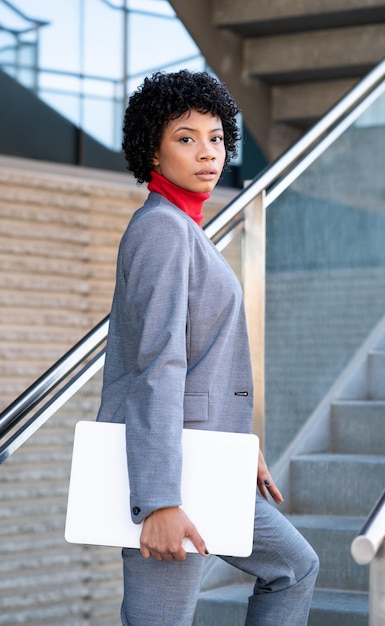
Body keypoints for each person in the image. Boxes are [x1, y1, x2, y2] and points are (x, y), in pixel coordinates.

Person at [96, 69, 319, 625]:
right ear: (152, 150)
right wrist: (161, 502)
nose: (207, 152)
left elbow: (199, 360)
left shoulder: (186, 228)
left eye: (216, 138)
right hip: (172, 477)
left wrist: (240, 446)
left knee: (293, 567)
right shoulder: (162, 231)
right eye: (186, 138)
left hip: (202, 460)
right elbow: (159, 363)